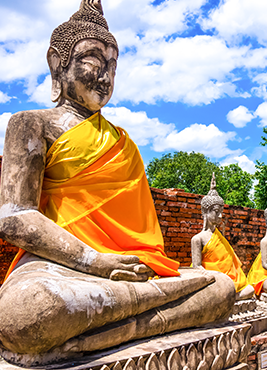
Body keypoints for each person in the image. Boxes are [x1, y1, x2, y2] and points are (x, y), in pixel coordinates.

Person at [0, 0, 235, 362]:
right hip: (58, 269)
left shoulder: (123, 142)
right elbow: (14, 216)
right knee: (29, 313)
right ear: (56, 62)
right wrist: (94, 260)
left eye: (113, 65)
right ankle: (132, 320)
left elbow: (142, 241)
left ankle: (109, 331)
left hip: (125, 274)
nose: (106, 76)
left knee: (222, 287)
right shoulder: (31, 124)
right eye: (93, 59)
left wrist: (118, 267)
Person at [191, 173, 255, 300]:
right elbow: (196, 267)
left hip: (229, 281)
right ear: (205, 212)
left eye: (221, 212)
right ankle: (225, 298)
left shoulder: (219, 236)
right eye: (216, 212)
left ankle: (226, 298)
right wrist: (214, 276)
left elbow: (229, 263)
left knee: (250, 289)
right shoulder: (197, 239)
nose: (220, 216)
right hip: (214, 279)